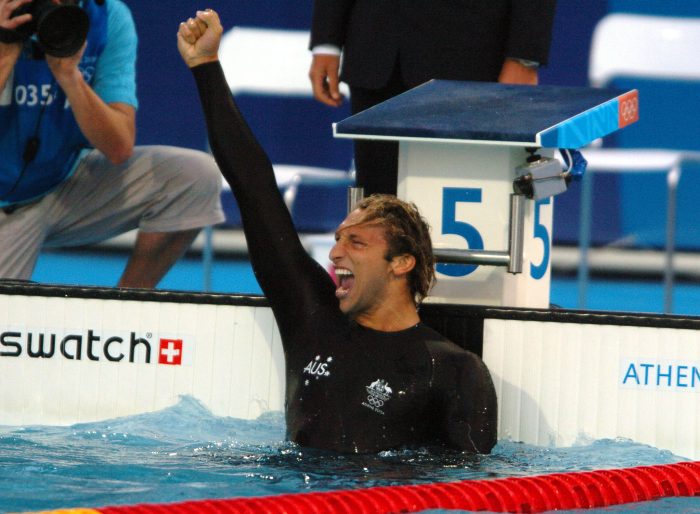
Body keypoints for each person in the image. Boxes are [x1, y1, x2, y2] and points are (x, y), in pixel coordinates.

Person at [178, 9, 497, 454]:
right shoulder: (310, 317)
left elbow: (476, 490)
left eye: (357, 242)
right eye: (337, 239)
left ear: (402, 263)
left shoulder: (453, 369)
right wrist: (206, 68)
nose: (335, 254)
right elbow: (254, 188)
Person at [0, 0, 224, 288]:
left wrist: (70, 77)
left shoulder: (107, 16)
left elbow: (119, 147)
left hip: (63, 182)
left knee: (194, 177)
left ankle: (123, 308)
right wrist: (5, 51)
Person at [308, 1, 558, 195]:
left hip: (473, 56)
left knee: (469, 201)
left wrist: (524, 55)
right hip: (378, 49)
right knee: (379, 206)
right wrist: (327, 41)